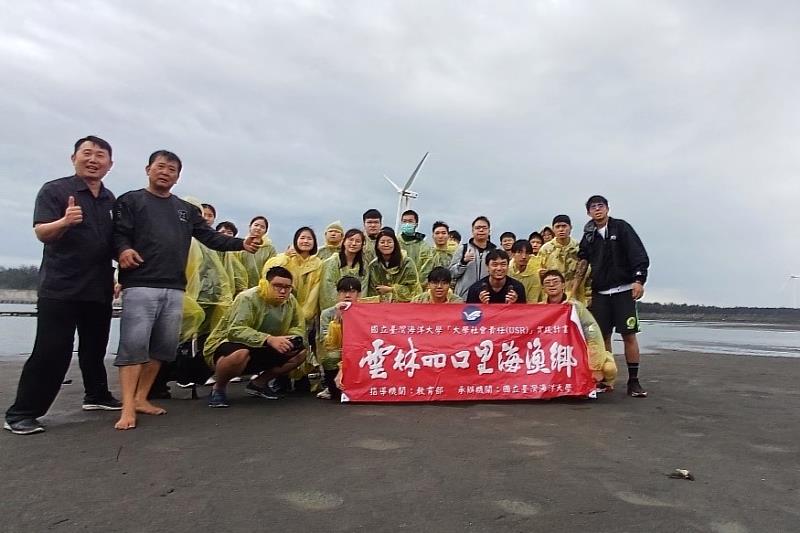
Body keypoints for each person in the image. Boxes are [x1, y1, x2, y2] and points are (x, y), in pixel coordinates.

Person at [112, 150, 259, 430]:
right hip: (140, 283)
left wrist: (242, 244)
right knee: (133, 347)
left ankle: (142, 397)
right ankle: (127, 407)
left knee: (162, 348)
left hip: (175, 287)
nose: (165, 172)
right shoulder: (130, 200)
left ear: (178, 176)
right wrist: (123, 249)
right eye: (161, 167)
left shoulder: (185, 210)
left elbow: (210, 237)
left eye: (172, 169)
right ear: (148, 169)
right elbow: (118, 233)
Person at [5, 136, 121, 435]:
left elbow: (114, 242)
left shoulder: (110, 200)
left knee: (94, 347)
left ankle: (96, 395)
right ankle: (21, 413)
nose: (93, 160)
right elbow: (41, 232)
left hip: (98, 287)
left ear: (110, 164)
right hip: (61, 287)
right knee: (52, 350)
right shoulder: (56, 190)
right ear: (74, 158)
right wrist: (65, 222)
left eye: (100, 155)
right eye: (87, 153)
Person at [575, 195, 650, 398]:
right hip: (600, 293)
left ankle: (633, 381)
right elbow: (582, 261)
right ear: (588, 212)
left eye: (600, 206)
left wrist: (639, 280)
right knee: (602, 337)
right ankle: (607, 380)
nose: (597, 209)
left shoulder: (621, 228)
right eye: (593, 207)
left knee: (628, 335)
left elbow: (638, 254)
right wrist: (574, 290)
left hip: (624, 290)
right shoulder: (588, 234)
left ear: (607, 208)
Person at [204, 266, 307, 407]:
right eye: (277, 286)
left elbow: (298, 325)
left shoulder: (290, 301)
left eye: (287, 287)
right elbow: (235, 330)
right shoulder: (247, 298)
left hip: (265, 346)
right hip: (229, 344)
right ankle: (219, 388)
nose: (283, 291)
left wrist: (292, 338)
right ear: (266, 283)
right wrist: (268, 339)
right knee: (239, 354)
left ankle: (258, 384)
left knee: (299, 353)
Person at [540, 270, 617, 391]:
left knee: (609, 368)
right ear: (543, 288)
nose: (551, 285)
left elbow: (593, 334)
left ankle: (605, 383)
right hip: (552, 354)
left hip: (577, 353)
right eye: (547, 283)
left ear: (563, 285)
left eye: (555, 282)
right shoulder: (540, 308)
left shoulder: (575, 307)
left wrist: (595, 367)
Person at [263, 227, 323, 327]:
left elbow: (315, 291)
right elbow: (267, 274)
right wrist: (285, 257)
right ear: (296, 240)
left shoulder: (318, 263)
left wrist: (305, 314)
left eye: (309, 238)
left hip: (305, 315)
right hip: (279, 310)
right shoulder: (285, 258)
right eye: (302, 238)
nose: (305, 241)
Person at [318, 276, 363, 400]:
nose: (347, 295)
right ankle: (332, 387)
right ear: (338, 294)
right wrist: (337, 319)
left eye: (352, 292)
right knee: (330, 356)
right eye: (343, 292)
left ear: (359, 294)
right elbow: (327, 342)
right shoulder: (327, 313)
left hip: (360, 351)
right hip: (339, 350)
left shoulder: (366, 311)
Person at [538, 215, 591, 304]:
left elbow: (588, 274)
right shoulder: (545, 249)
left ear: (570, 228)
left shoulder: (579, 248)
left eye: (564, 226)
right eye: (558, 227)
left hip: (576, 296)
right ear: (553, 229)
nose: (561, 229)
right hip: (553, 298)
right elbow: (540, 274)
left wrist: (588, 297)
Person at [319, 228, 370, 311]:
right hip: (335, 307)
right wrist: (339, 307)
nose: (353, 244)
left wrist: (356, 307)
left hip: (356, 309)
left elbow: (363, 289)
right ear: (343, 242)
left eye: (357, 241)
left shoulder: (364, 265)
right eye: (350, 240)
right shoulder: (333, 261)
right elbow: (328, 289)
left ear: (362, 245)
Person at [449, 216, 497, 299]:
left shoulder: (494, 252)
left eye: (484, 228)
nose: (481, 230)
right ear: (472, 231)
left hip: (487, 298)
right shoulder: (463, 249)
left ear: (489, 231)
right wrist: (463, 262)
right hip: (464, 298)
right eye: (478, 228)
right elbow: (451, 274)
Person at [367, 228, 421, 302]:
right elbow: (372, 291)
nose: (386, 245)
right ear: (377, 246)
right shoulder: (374, 266)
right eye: (382, 242)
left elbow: (413, 289)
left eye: (389, 242)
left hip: (405, 306)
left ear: (395, 244)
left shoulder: (407, 263)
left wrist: (392, 290)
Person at [237, 216, 277, 288]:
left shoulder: (270, 249)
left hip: (261, 287)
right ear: (250, 227)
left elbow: (272, 268)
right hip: (240, 286)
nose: (258, 228)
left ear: (265, 231)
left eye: (262, 227)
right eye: (256, 225)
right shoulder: (240, 245)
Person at [215, 221, 248, 295]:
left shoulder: (234, 256)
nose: (225, 235)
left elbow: (239, 277)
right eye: (222, 232)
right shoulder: (209, 251)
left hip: (227, 294)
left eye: (229, 233)